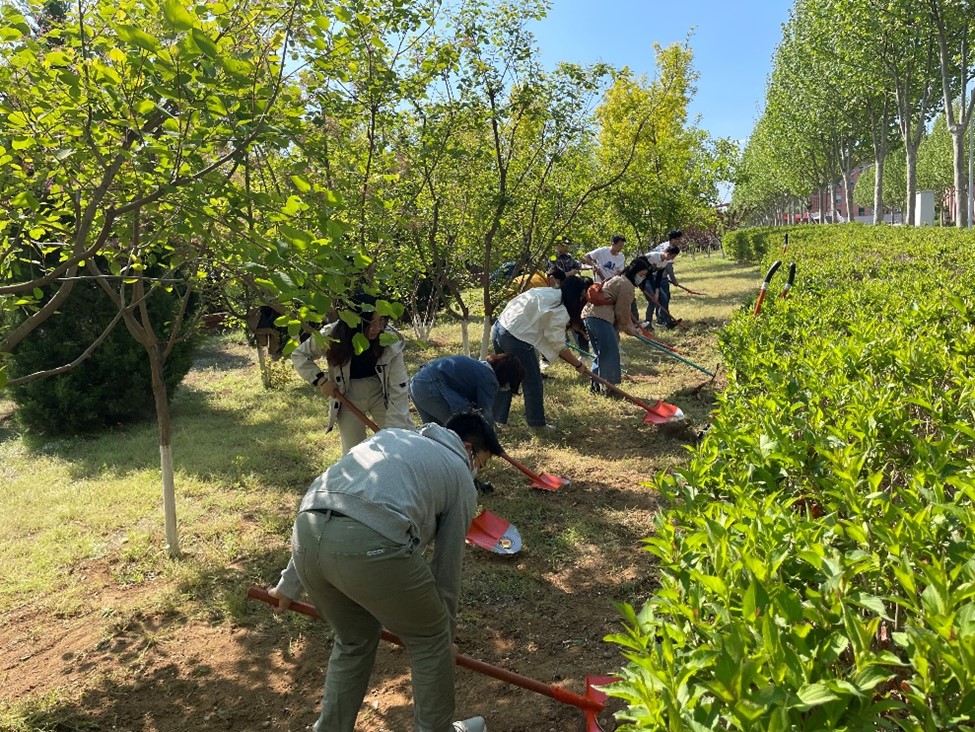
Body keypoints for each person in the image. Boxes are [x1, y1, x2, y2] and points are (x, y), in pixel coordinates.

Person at [267, 412, 502, 732]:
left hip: (306, 536)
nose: (478, 470)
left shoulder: (389, 437)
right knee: (430, 639)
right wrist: (444, 637)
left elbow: (337, 503)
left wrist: (289, 584)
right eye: (481, 461)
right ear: (467, 448)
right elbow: (446, 569)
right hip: (370, 543)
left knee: (354, 639)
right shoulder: (459, 475)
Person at [292, 293, 413, 454]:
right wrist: (321, 381)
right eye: (371, 322)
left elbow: (398, 386)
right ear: (357, 320)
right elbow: (299, 355)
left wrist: (395, 433)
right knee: (354, 453)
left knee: (401, 441)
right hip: (348, 395)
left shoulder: (390, 340)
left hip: (380, 393)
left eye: (381, 321)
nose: (377, 327)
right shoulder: (332, 334)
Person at [491, 275, 589, 431]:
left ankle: (494, 420)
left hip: (499, 328)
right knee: (533, 381)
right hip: (516, 337)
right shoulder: (559, 308)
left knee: (505, 377)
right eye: (582, 295)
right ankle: (536, 424)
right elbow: (558, 345)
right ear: (576, 294)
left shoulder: (546, 292)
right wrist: (577, 364)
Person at [581, 257, 650, 391]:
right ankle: (609, 387)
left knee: (600, 353)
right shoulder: (627, 285)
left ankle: (596, 385)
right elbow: (622, 311)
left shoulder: (617, 279)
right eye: (641, 275)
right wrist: (629, 328)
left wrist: (627, 327)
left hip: (589, 316)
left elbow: (622, 312)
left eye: (644, 276)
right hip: (600, 318)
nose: (641, 278)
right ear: (633, 272)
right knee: (610, 354)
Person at [409, 353, 525, 426]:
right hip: (430, 386)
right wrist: (491, 440)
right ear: (506, 376)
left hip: (416, 383)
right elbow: (486, 413)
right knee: (461, 428)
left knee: (434, 433)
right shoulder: (489, 378)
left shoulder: (479, 367)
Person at [647, 230, 684, 328]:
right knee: (662, 298)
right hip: (654, 275)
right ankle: (662, 321)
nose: (679, 241)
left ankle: (665, 320)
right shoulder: (667, 249)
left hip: (661, 275)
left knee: (665, 297)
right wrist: (674, 280)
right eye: (678, 239)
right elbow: (668, 267)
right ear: (673, 239)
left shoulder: (669, 246)